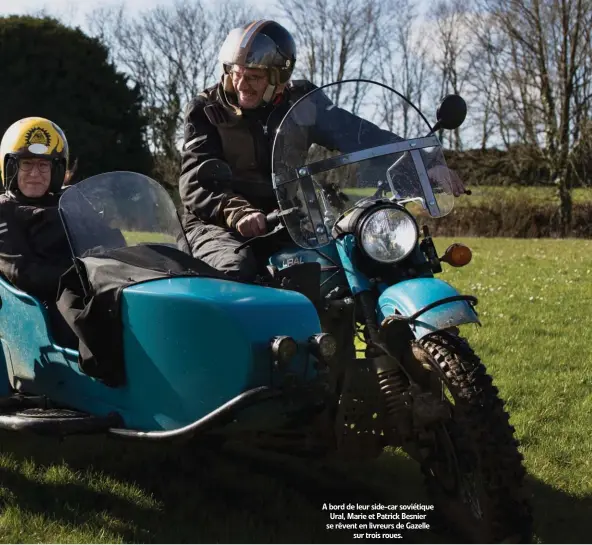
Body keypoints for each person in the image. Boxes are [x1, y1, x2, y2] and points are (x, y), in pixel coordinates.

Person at [179, 19, 467, 281]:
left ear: (279, 76)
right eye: (237, 73)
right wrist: (238, 212)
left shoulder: (301, 102)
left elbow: (358, 134)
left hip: (285, 218)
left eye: (253, 76)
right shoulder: (206, 110)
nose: (242, 85)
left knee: (354, 257)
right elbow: (196, 182)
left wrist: (425, 164)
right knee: (235, 269)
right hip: (216, 223)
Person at [0, 116, 78, 347]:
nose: (36, 173)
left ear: (56, 169)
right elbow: (22, 272)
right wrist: (82, 277)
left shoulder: (72, 202)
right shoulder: (4, 210)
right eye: (27, 163)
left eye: (44, 165)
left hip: (93, 292)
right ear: (11, 167)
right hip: (41, 313)